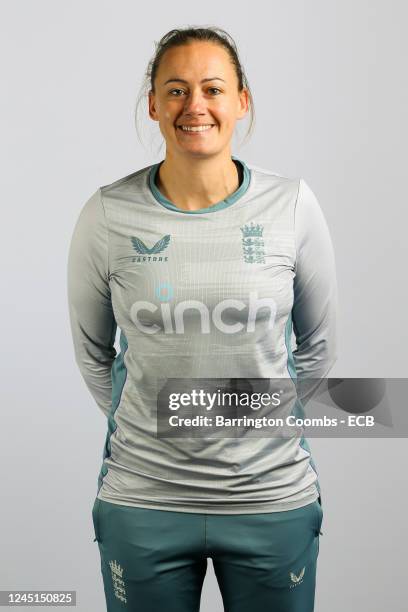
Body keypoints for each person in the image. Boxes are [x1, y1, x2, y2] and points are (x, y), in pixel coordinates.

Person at [67, 26, 337, 612]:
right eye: (176, 90)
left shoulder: (292, 205)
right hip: (143, 503)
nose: (195, 106)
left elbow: (317, 348)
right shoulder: (109, 214)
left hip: (271, 499)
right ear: (154, 105)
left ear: (242, 101)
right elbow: (93, 354)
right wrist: (153, 427)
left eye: (212, 89)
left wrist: (243, 425)